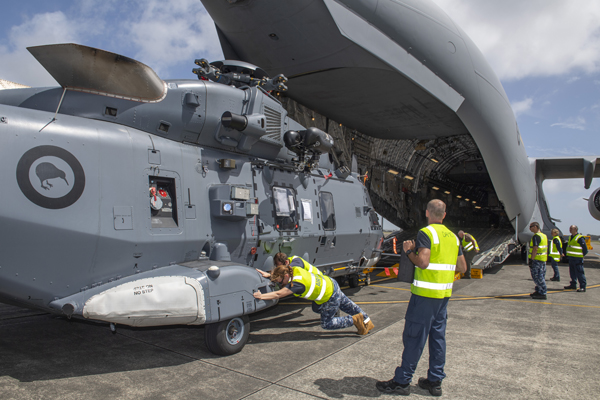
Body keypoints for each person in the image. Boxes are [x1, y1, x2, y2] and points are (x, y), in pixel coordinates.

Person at [376, 199, 466, 397]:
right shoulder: (453, 237)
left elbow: (423, 262)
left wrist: (409, 252)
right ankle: (434, 381)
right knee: (438, 339)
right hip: (443, 297)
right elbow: (462, 268)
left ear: (427, 213)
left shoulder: (426, 233)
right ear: (444, 214)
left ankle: (402, 381)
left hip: (425, 296)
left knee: (414, 338)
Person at [253, 252, 375, 334]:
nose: (281, 284)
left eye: (281, 281)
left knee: (327, 324)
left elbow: (278, 294)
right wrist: (270, 275)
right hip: (331, 284)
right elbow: (281, 275)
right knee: (347, 305)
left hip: (329, 295)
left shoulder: (296, 284)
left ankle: (354, 320)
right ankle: (367, 320)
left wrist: (261, 296)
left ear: (286, 275)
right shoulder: (294, 268)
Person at [563, 225, 588, 292]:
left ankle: (582, 286)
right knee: (572, 273)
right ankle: (573, 285)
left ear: (576, 229)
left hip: (577, 259)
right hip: (571, 258)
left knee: (580, 273)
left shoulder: (579, 238)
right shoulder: (570, 237)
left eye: (571, 228)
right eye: (570, 228)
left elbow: (585, 249)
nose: (570, 230)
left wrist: (581, 255)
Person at [528, 222, 548, 300]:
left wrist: (532, 259)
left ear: (535, 227)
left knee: (537, 277)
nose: (530, 228)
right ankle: (539, 290)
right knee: (541, 275)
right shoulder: (544, 236)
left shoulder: (536, 236)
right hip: (542, 259)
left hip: (537, 260)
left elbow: (535, 248)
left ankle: (543, 292)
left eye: (531, 227)